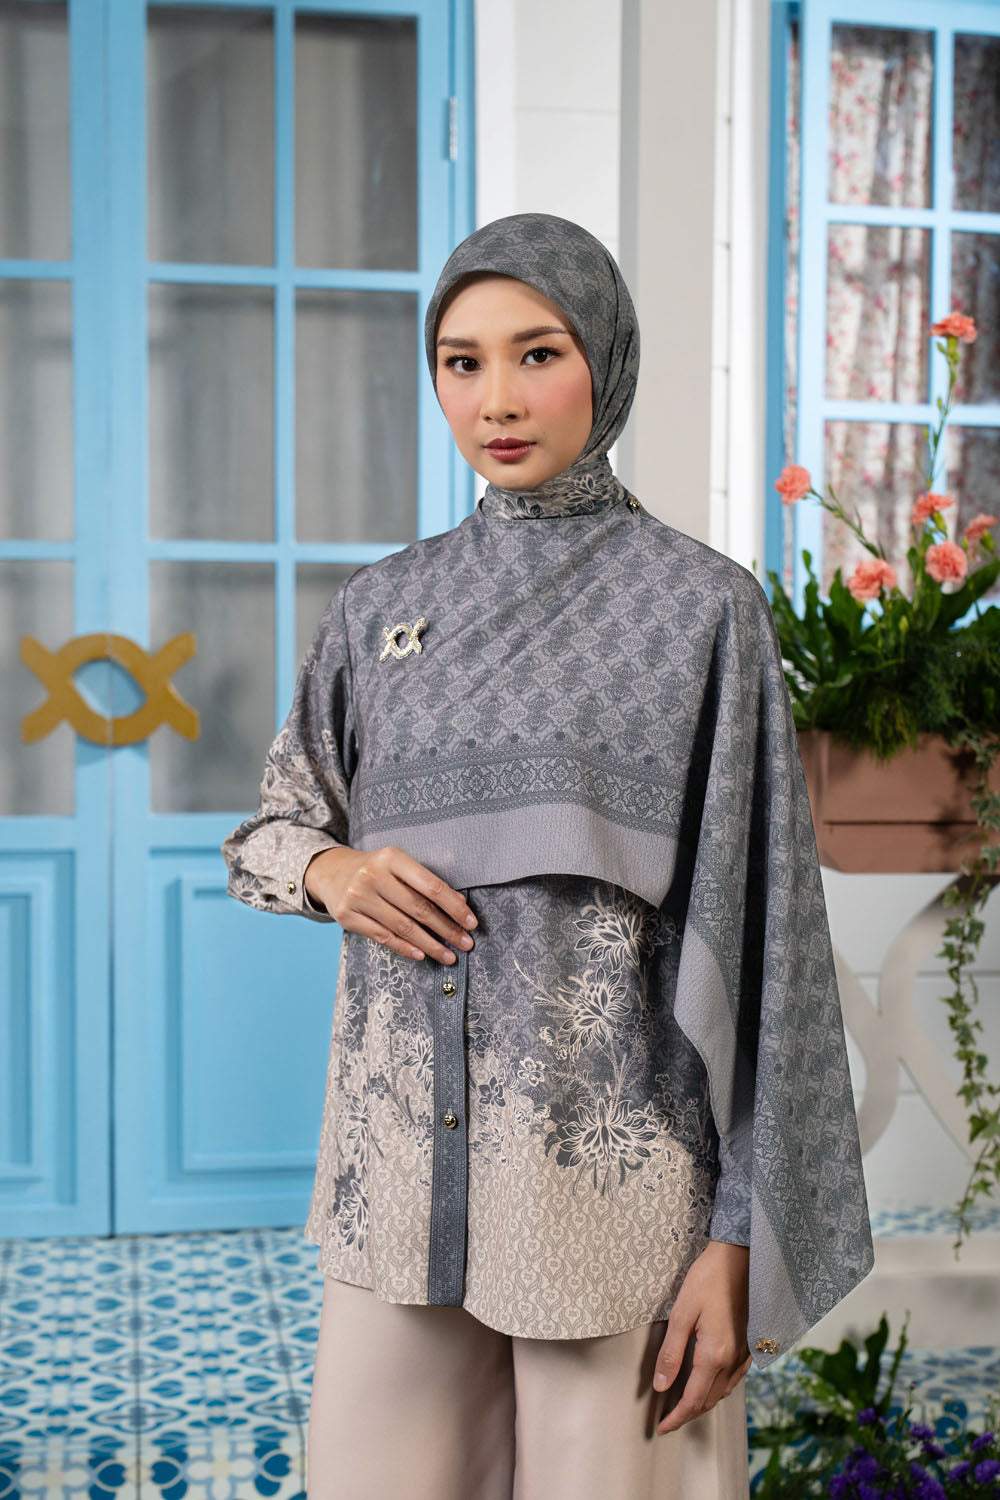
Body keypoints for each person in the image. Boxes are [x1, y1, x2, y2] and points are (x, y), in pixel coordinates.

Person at [221, 212, 874, 1500]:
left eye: (538, 353)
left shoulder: (704, 610)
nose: (498, 401)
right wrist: (332, 874)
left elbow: (768, 950)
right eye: (461, 363)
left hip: (607, 1204)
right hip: (396, 1190)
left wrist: (740, 1236)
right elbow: (269, 833)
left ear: (606, 360)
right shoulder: (379, 606)